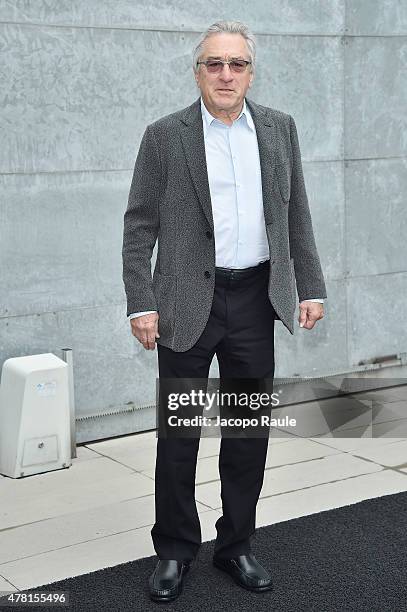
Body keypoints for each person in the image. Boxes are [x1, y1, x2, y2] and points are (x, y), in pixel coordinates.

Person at [122, 20, 327, 603]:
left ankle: (235, 545)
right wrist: (142, 300)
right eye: (214, 63)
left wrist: (309, 286)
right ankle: (174, 551)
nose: (226, 74)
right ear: (198, 71)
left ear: (251, 71)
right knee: (180, 432)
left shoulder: (280, 130)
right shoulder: (165, 136)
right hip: (186, 305)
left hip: (255, 301)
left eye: (236, 64)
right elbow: (139, 225)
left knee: (246, 433)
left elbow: (297, 217)